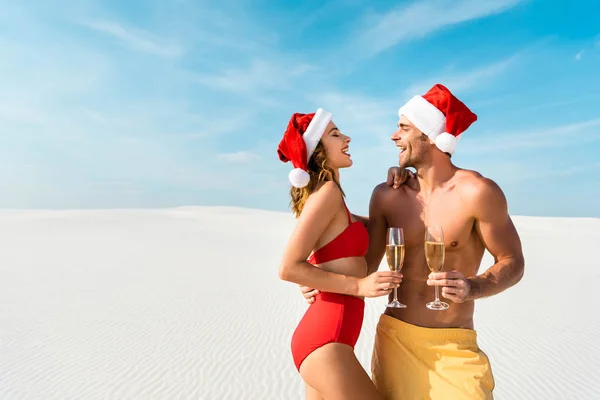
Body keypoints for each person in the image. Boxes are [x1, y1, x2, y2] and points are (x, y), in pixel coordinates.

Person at [301, 84, 525, 400]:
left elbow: (513, 261)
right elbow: (365, 260)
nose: (394, 136)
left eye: (404, 128)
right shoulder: (387, 195)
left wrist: (474, 287)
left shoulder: (478, 193)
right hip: (395, 339)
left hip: (452, 346)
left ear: (432, 136)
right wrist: (319, 277)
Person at [276, 108, 411, 400]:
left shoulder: (336, 201)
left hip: (328, 342)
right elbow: (288, 267)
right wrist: (359, 285)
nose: (346, 138)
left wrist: (401, 175)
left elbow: (378, 224)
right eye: (335, 134)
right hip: (326, 342)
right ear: (318, 150)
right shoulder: (327, 194)